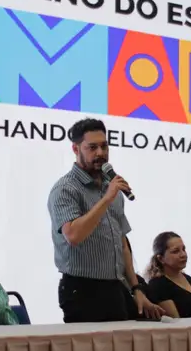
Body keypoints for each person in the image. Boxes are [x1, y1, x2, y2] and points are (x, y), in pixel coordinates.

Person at [47, 117, 164, 323]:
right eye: (92, 147)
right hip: (81, 290)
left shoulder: (112, 187)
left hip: (115, 286)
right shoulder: (66, 189)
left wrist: (136, 288)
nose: (100, 153)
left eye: (104, 146)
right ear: (75, 149)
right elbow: (73, 235)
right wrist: (107, 199)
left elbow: (122, 243)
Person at [145, 232, 191, 319]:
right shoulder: (158, 285)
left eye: (183, 249)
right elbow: (175, 323)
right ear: (161, 258)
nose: (183, 255)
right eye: (175, 251)